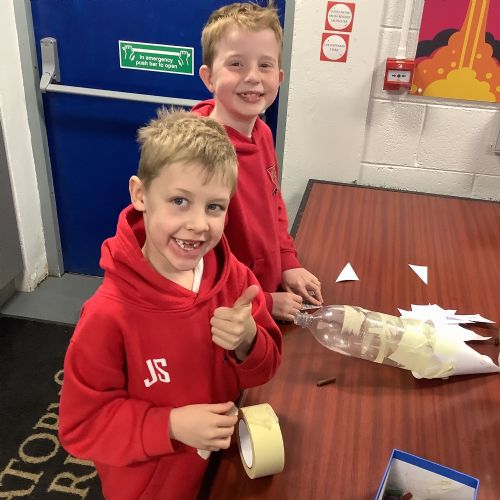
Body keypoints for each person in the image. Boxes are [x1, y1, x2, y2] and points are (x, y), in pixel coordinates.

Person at [58, 109, 282, 500]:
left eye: (215, 207)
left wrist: (248, 340)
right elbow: (81, 427)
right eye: (180, 201)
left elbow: (266, 367)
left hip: (222, 466)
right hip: (152, 487)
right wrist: (171, 425)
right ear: (140, 195)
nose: (198, 224)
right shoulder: (108, 314)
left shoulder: (235, 280)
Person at [193, 1, 324, 322]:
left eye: (264, 65)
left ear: (279, 77)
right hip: (224, 314)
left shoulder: (262, 133)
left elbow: (273, 202)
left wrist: (287, 261)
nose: (252, 77)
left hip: (260, 296)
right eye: (236, 64)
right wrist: (262, 303)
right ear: (209, 78)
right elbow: (191, 260)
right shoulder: (197, 155)